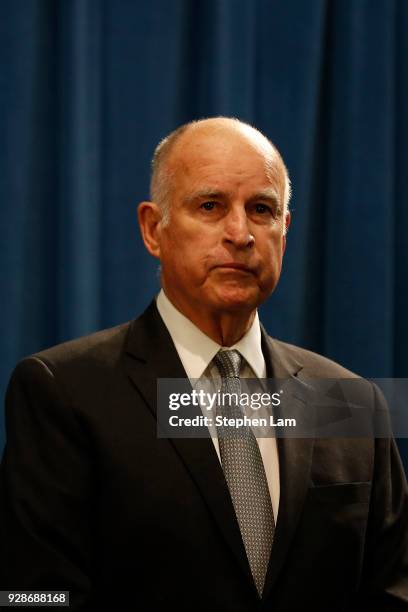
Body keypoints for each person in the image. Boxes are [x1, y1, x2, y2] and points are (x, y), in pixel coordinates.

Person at [1, 117, 407, 611]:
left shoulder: (350, 400)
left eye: (261, 209)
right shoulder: (65, 391)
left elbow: (394, 584)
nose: (240, 234)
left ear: (285, 230)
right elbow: (32, 594)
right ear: (154, 228)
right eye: (211, 206)